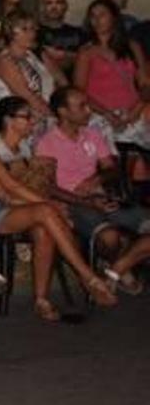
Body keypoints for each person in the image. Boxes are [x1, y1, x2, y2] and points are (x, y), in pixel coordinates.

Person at [0, 96, 118, 321]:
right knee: (46, 212)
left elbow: (39, 185)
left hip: (21, 206)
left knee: (44, 229)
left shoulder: (23, 146)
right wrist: (48, 204)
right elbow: (10, 186)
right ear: (8, 120)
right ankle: (87, 277)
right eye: (27, 117)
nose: (33, 121)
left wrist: (56, 202)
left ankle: (41, 299)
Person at [35, 87, 148, 294]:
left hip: (100, 196)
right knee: (110, 238)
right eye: (82, 106)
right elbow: (48, 187)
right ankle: (119, 263)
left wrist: (95, 179)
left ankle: (116, 269)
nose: (89, 110)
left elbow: (110, 168)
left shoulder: (92, 134)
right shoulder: (47, 143)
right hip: (73, 203)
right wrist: (86, 201)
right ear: (63, 112)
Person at [75, 0, 150, 155]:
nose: (97, 20)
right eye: (93, 16)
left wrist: (135, 112)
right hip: (100, 116)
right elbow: (79, 91)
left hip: (133, 114)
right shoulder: (86, 52)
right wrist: (107, 114)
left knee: (134, 165)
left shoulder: (132, 46)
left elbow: (145, 84)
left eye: (102, 15)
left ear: (114, 18)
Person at [0, 11, 67, 122]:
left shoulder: (38, 54)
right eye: (25, 30)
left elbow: (63, 83)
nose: (32, 34)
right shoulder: (4, 61)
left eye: (33, 29)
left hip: (49, 112)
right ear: (10, 33)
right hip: (22, 119)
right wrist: (58, 118)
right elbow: (28, 98)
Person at [38, 0, 87, 74]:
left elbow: (89, 59)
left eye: (58, 2)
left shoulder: (79, 32)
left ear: (65, 6)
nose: (54, 7)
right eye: (49, 3)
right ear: (43, 7)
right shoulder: (34, 33)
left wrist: (64, 55)